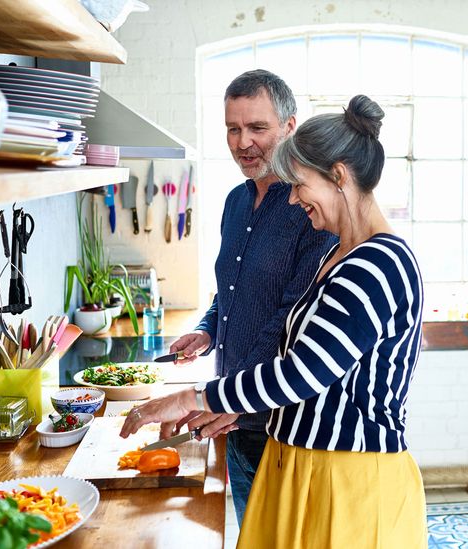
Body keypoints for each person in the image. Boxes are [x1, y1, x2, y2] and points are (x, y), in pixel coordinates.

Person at [122, 95, 427, 548]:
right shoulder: (339, 252)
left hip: (346, 481)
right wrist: (231, 404)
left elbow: (303, 372)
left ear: (338, 176)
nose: (295, 196)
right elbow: (304, 364)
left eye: (300, 183)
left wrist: (195, 396)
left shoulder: (379, 264)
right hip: (304, 467)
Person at [166, 69, 336, 526]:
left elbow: (289, 320)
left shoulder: (310, 210)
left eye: (257, 128)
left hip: (282, 427)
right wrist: (206, 331)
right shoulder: (235, 202)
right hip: (233, 419)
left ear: (289, 126)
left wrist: (222, 398)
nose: (243, 142)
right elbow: (232, 291)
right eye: (232, 128)